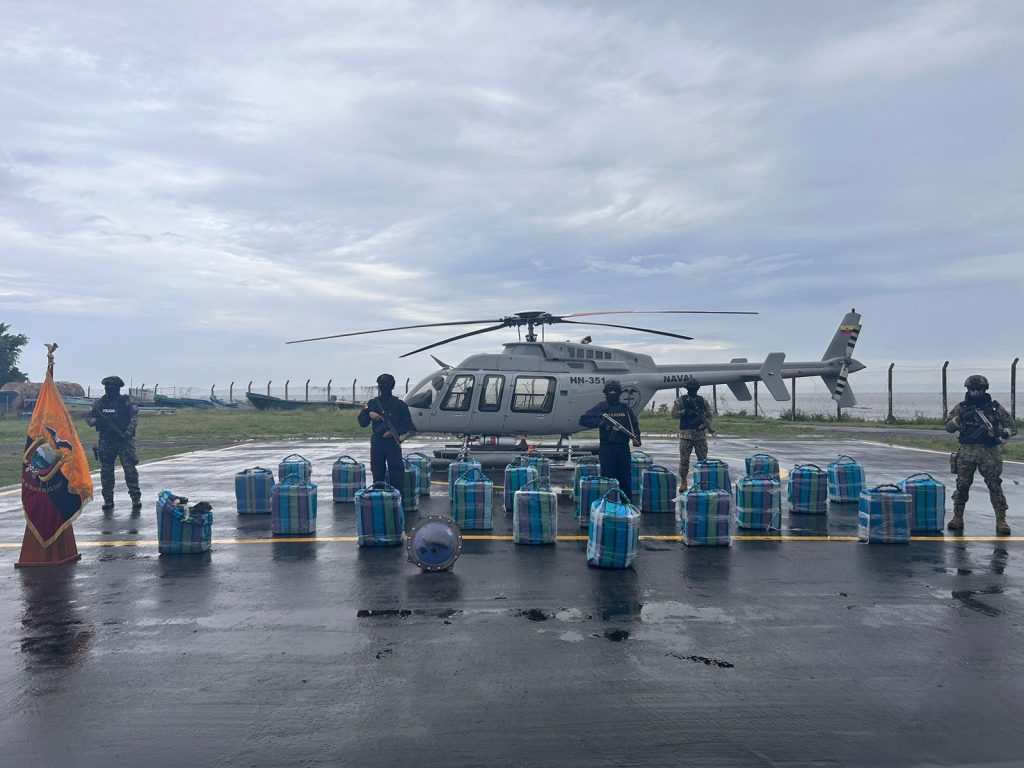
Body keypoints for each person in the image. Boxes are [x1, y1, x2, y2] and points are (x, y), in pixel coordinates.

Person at [945, 374, 1016, 535]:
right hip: (966, 453)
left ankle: (1001, 520)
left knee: (994, 486)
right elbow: (948, 427)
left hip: (989, 453)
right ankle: (957, 517)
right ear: (968, 389)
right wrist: (958, 419)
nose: (976, 392)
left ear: (985, 389)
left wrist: (1000, 432)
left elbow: (1013, 427)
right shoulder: (961, 408)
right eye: (972, 389)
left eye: (979, 389)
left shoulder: (994, 408)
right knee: (962, 486)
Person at [578, 380, 642, 501]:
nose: (612, 393)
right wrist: (600, 423)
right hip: (607, 448)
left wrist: (636, 438)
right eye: (610, 390)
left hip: (623, 448)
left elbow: (634, 425)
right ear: (606, 392)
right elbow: (583, 420)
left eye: (615, 390)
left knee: (625, 478)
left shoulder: (626, 409)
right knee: (607, 478)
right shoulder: (601, 407)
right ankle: (609, 503)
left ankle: (626, 503)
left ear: (619, 392)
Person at [85, 375, 141, 513]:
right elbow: (88, 417)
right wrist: (97, 422)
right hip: (106, 441)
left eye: (112, 386)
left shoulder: (126, 401)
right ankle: (108, 500)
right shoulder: (99, 404)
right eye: (107, 386)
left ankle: (135, 498)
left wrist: (127, 433)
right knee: (106, 472)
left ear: (118, 388)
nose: (109, 388)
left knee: (130, 471)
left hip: (123, 441)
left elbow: (134, 418)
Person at [358, 373, 415, 485]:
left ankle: (391, 498)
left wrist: (394, 432)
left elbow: (408, 425)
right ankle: (390, 498)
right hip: (379, 442)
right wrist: (370, 414)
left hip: (392, 441)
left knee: (393, 474)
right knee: (383, 474)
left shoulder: (399, 404)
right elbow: (362, 422)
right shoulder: (373, 404)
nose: (384, 387)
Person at [671, 377, 712, 492]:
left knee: (703, 461)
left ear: (697, 389)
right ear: (687, 389)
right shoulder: (681, 400)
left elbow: (709, 415)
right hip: (686, 436)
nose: (692, 390)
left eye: (694, 389)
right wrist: (684, 412)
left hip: (700, 435)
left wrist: (705, 424)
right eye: (690, 389)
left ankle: (701, 481)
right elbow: (673, 414)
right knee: (684, 460)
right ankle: (684, 482)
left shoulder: (702, 401)